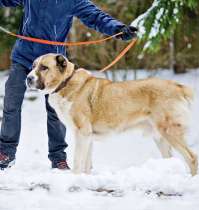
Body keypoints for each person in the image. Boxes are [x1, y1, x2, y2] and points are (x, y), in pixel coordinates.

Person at [0, 0, 137, 170]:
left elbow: (95, 16)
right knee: (11, 103)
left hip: (54, 65)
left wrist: (117, 29)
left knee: (56, 111)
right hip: (24, 57)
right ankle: (6, 152)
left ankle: (58, 158)